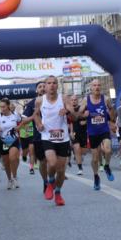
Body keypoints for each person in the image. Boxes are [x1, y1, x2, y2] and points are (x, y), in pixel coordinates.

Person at [34, 76, 83, 206]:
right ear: (45, 86)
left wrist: (67, 112)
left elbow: (75, 116)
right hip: (47, 137)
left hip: (63, 138)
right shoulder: (39, 100)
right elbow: (36, 115)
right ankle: (50, 182)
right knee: (52, 162)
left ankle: (58, 193)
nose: (51, 85)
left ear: (57, 86)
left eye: (54, 83)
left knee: (61, 170)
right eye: (49, 83)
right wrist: (39, 124)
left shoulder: (64, 99)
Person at [84, 78, 117, 191]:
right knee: (95, 158)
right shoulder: (86, 100)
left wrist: (111, 110)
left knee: (107, 150)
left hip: (103, 130)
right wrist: (84, 114)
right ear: (91, 88)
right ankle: (96, 176)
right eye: (94, 85)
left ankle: (106, 166)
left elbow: (112, 116)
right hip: (92, 132)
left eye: (98, 85)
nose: (97, 87)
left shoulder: (106, 99)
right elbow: (78, 114)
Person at [0, 99, 27, 190]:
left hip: (13, 139)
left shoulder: (15, 115)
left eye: (3, 106)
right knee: (6, 163)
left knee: (13, 158)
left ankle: (14, 177)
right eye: (1, 107)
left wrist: (19, 127)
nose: (2, 108)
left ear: (8, 106)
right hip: (4, 141)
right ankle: (9, 179)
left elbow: (24, 120)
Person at [71, 96, 88, 175]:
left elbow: (89, 116)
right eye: (72, 100)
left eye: (75, 100)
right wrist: (71, 132)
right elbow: (70, 122)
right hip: (75, 132)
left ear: (78, 101)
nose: (74, 101)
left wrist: (86, 122)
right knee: (77, 148)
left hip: (84, 133)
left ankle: (80, 156)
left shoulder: (83, 108)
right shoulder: (70, 110)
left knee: (83, 151)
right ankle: (80, 168)